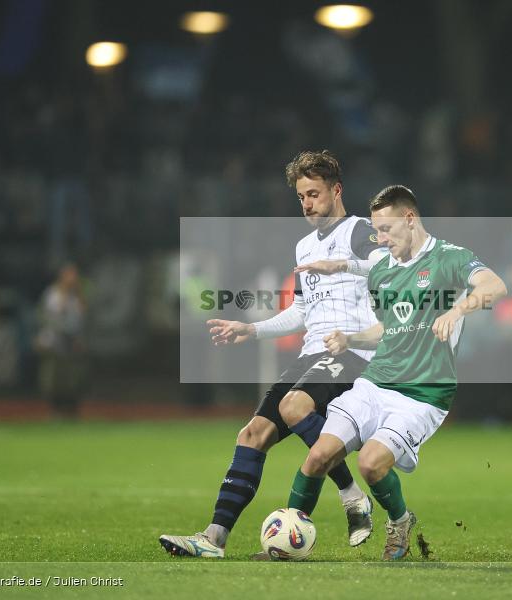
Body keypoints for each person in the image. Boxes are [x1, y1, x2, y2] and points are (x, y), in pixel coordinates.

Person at [160, 150, 389, 558]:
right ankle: (213, 539)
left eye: (314, 193)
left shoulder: (359, 231)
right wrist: (253, 329)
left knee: (294, 405)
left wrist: (342, 266)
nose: (307, 203)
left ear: (336, 190)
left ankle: (352, 494)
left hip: (352, 350)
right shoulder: (303, 247)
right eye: (301, 196)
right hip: (312, 355)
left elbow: (391, 269)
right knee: (253, 434)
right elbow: (302, 311)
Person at [283, 184, 507, 560]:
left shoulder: (448, 258)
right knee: (319, 455)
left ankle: (400, 520)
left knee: (371, 464)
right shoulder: (383, 271)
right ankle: (286, 538)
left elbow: (494, 285)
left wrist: (456, 311)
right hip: (376, 382)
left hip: (422, 394)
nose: (380, 239)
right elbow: (388, 328)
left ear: (409, 219)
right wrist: (351, 338)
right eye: (376, 231)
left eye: (386, 230)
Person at [34, 263, 88, 418]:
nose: (72, 279)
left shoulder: (78, 295)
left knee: (73, 379)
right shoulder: (52, 294)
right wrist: (41, 337)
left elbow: (82, 318)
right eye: (69, 275)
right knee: (52, 379)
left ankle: (71, 410)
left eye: (74, 275)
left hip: (72, 342)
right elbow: (44, 316)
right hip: (54, 341)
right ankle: (55, 410)